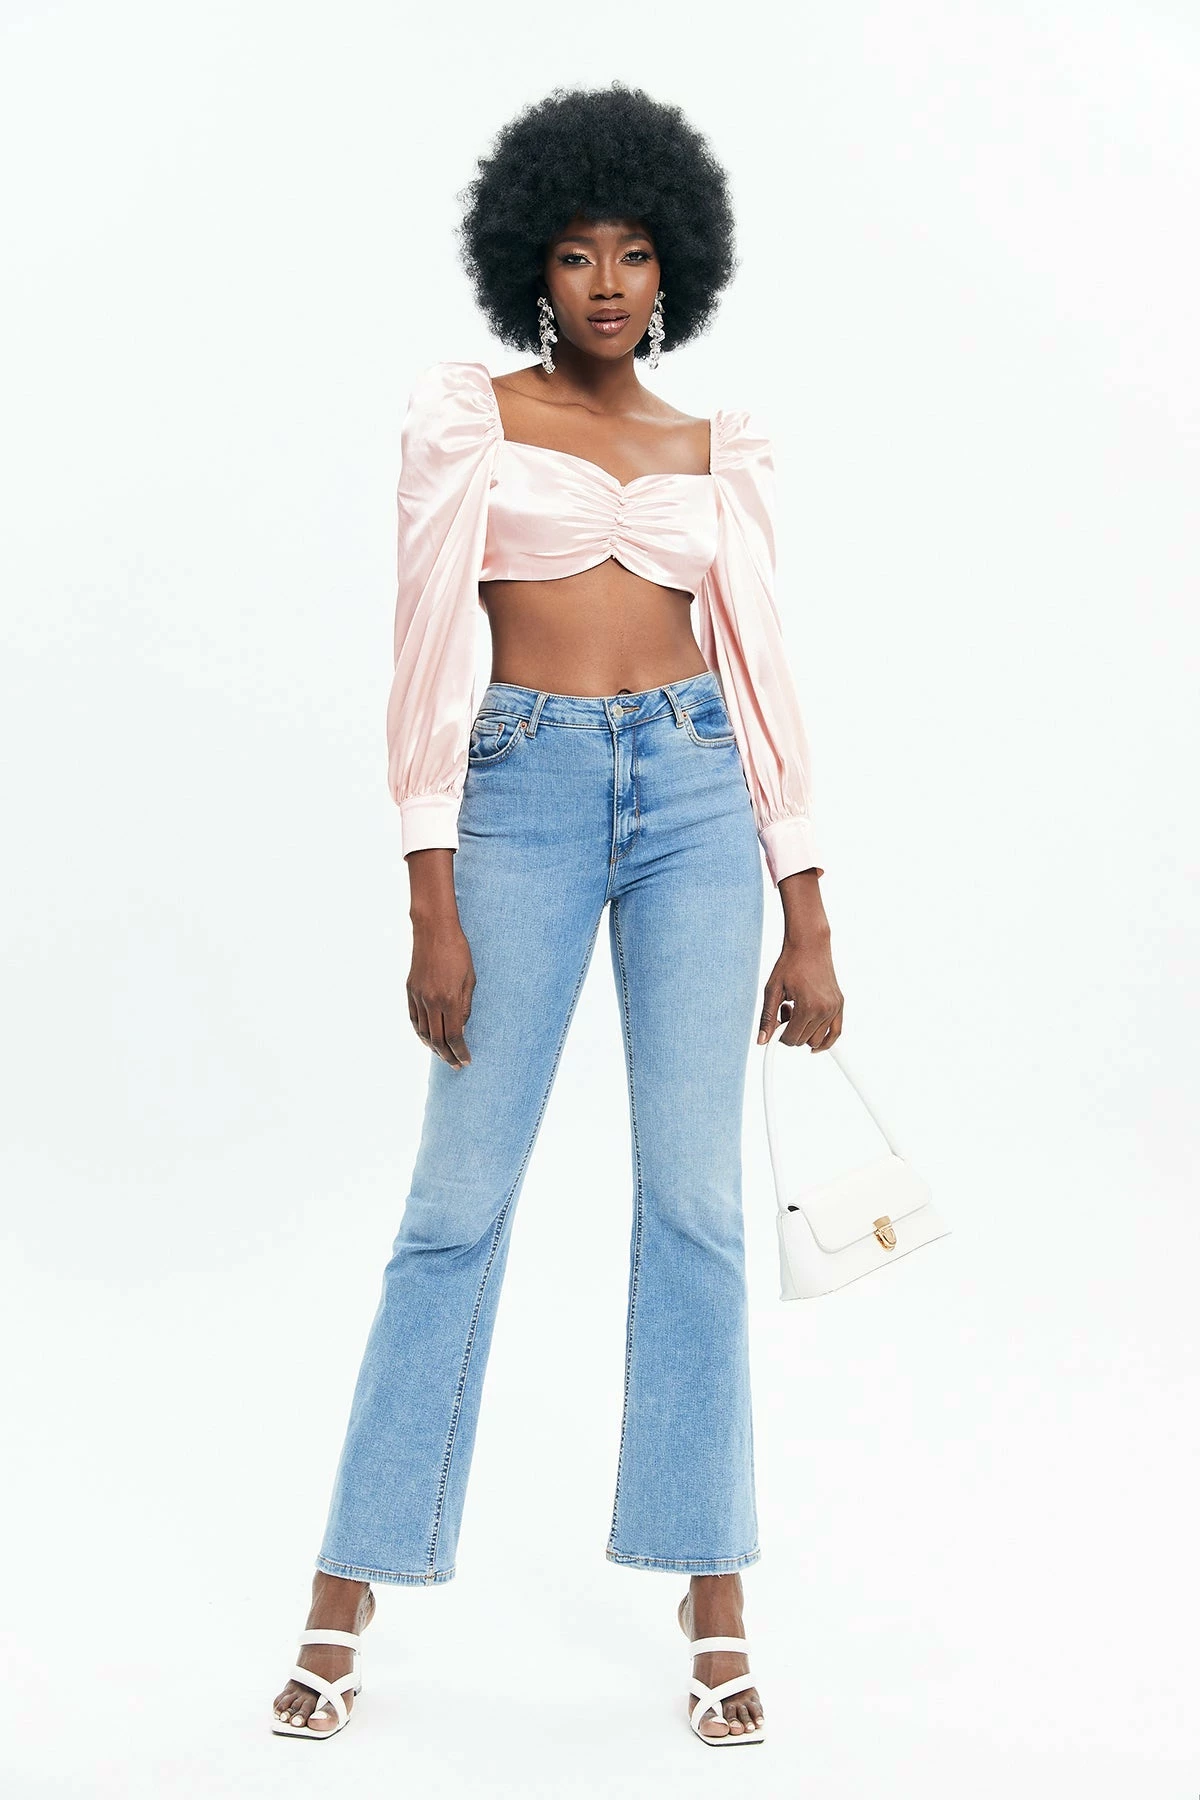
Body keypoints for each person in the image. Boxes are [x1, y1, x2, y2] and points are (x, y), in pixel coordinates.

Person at [272, 81, 844, 1748]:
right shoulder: (472, 419)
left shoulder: (716, 448)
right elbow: (421, 647)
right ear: (532, 258)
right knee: (455, 1203)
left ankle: (713, 1588)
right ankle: (349, 1579)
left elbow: (763, 670)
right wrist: (428, 891)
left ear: (677, 271)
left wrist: (807, 905)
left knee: (699, 1204)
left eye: (636, 253)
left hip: (694, 796)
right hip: (517, 791)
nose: (607, 282)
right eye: (580, 252)